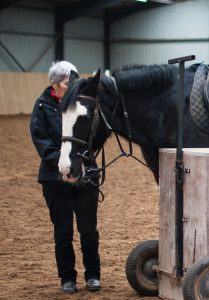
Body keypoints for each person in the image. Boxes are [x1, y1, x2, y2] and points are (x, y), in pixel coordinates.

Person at [30, 61, 101, 294]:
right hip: (54, 177)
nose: (72, 88)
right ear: (54, 84)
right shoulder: (41, 106)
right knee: (63, 232)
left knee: (88, 229)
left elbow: (92, 136)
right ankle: (67, 278)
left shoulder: (82, 103)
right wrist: (63, 165)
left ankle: (93, 275)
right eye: (67, 84)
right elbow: (41, 140)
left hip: (85, 173)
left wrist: (81, 164)